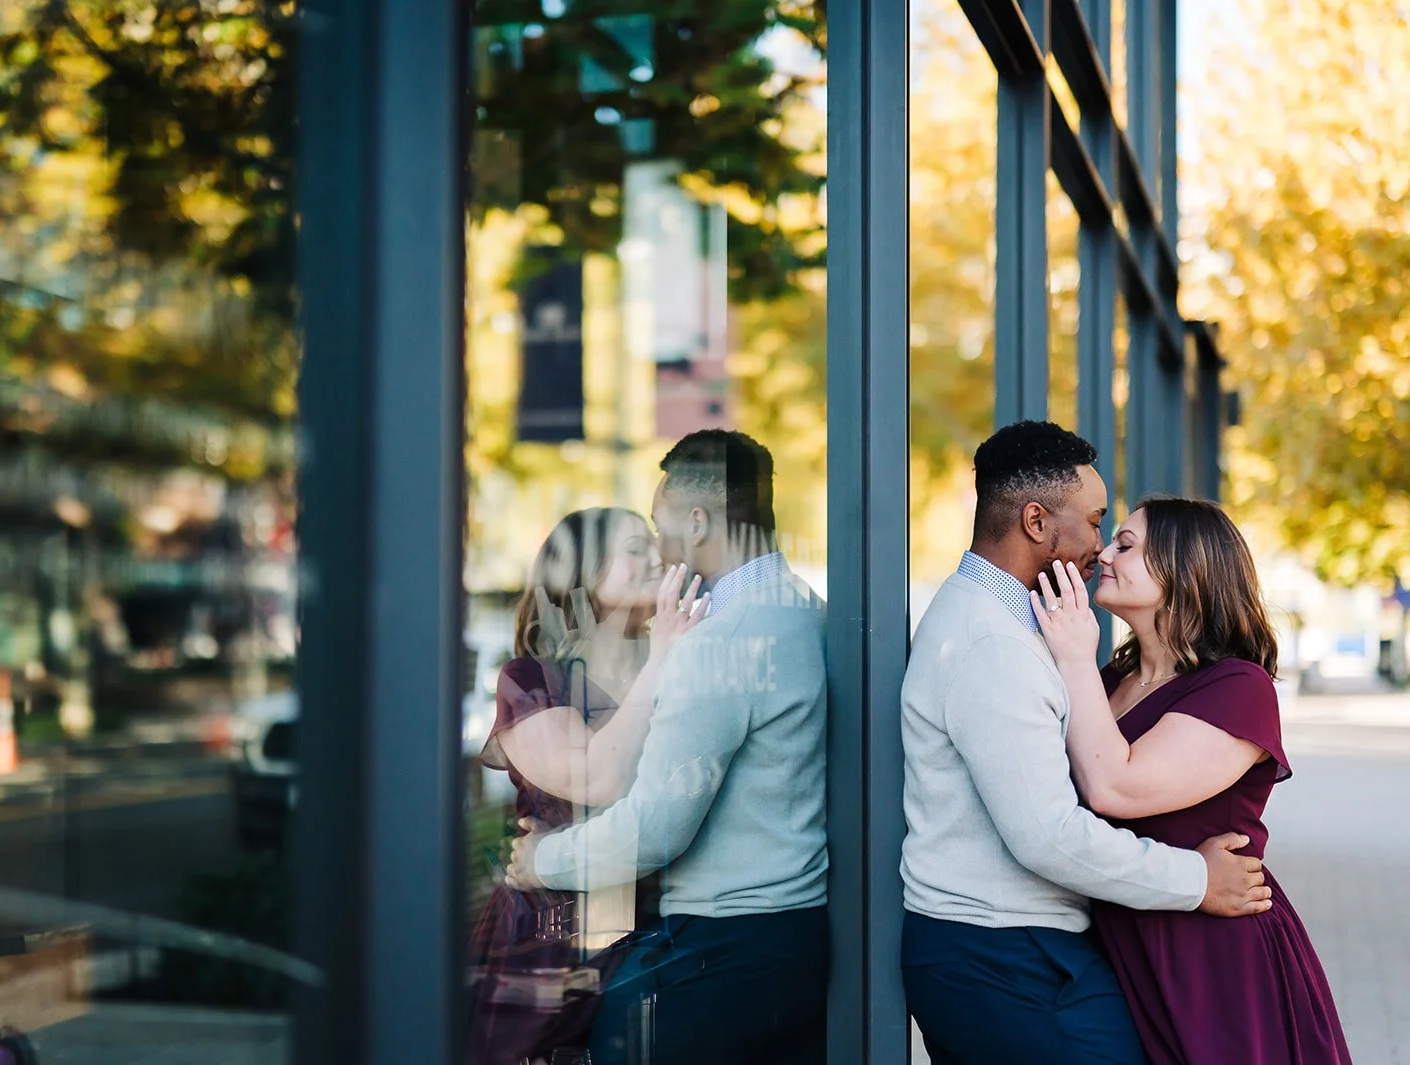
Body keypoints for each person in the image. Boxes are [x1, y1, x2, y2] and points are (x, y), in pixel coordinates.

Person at [900, 420, 1274, 1065]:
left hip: (1040, 950)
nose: (1100, 548)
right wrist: (1197, 878)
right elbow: (1048, 833)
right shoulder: (996, 643)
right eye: (1099, 522)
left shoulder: (1018, 630)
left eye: (1117, 536)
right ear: (1037, 523)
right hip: (1004, 952)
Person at [505, 429, 830, 1065]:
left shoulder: (720, 639)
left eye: (659, 523)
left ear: (699, 520)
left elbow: (654, 828)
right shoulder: (807, 610)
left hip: (721, 949)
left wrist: (540, 859)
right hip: (789, 937)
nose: (658, 544)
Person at [1034, 498, 1353, 1064]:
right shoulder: (1112, 680)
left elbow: (1115, 788)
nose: (1104, 552)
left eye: (1126, 546)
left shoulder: (1238, 687)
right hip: (1122, 944)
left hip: (1213, 958)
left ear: (1185, 568)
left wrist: (1074, 658)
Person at [468, 506, 708, 1065]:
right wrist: (664, 655)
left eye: (655, 544)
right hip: (552, 943)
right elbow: (596, 777)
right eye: (634, 548)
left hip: (657, 930)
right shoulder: (530, 680)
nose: (656, 556)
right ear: (583, 572)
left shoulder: (687, 657)